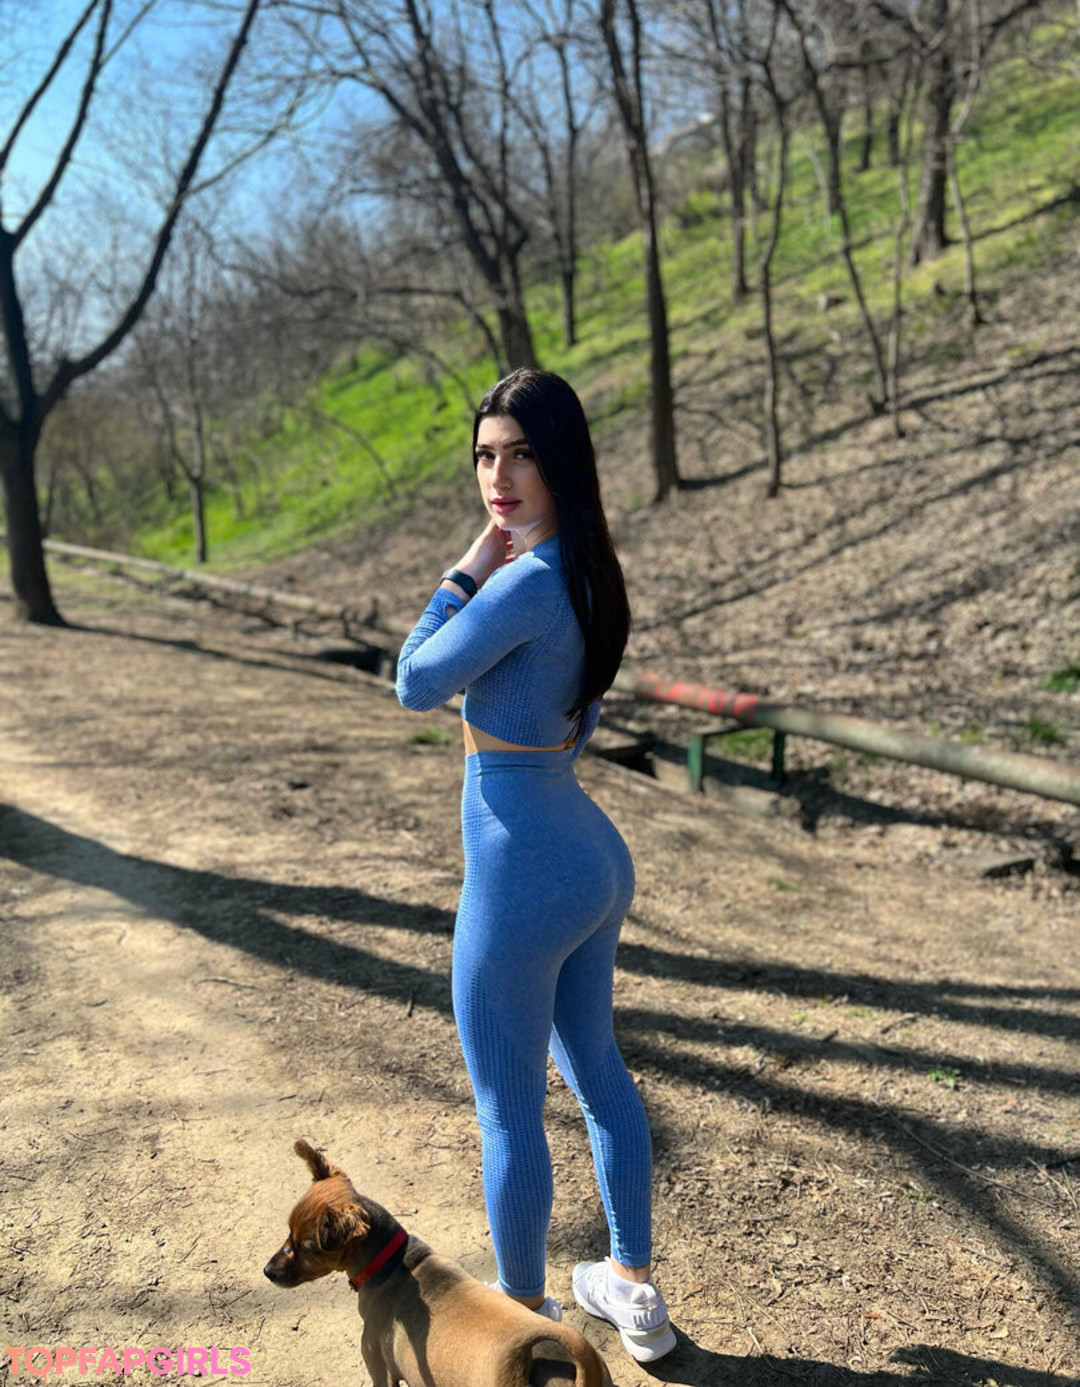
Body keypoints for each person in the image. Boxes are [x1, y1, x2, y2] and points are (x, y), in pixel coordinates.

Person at [396, 368, 675, 1364]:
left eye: (520, 454)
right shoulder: (591, 574)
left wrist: (464, 570)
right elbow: (577, 720)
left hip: (521, 875)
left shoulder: (522, 581)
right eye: (484, 456)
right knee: (597, 1072)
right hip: (590, 855)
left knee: (509, 1108)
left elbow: (414, 679)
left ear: (560, 459)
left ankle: (522, 1330)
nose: (498, 477)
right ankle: (632, 1287)